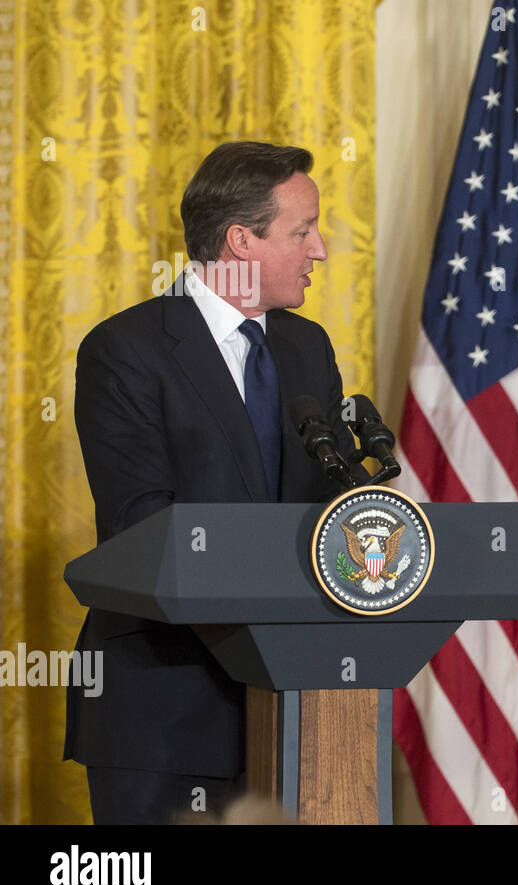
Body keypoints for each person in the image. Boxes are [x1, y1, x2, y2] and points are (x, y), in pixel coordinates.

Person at [65, 141, 357, 824]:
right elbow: (144, 524)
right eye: (302, 230)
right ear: (240, 241)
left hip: (298, 711)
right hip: (167, 711)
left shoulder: (306, 347)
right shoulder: (126, 350)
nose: (320, 250)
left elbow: (327, 506)